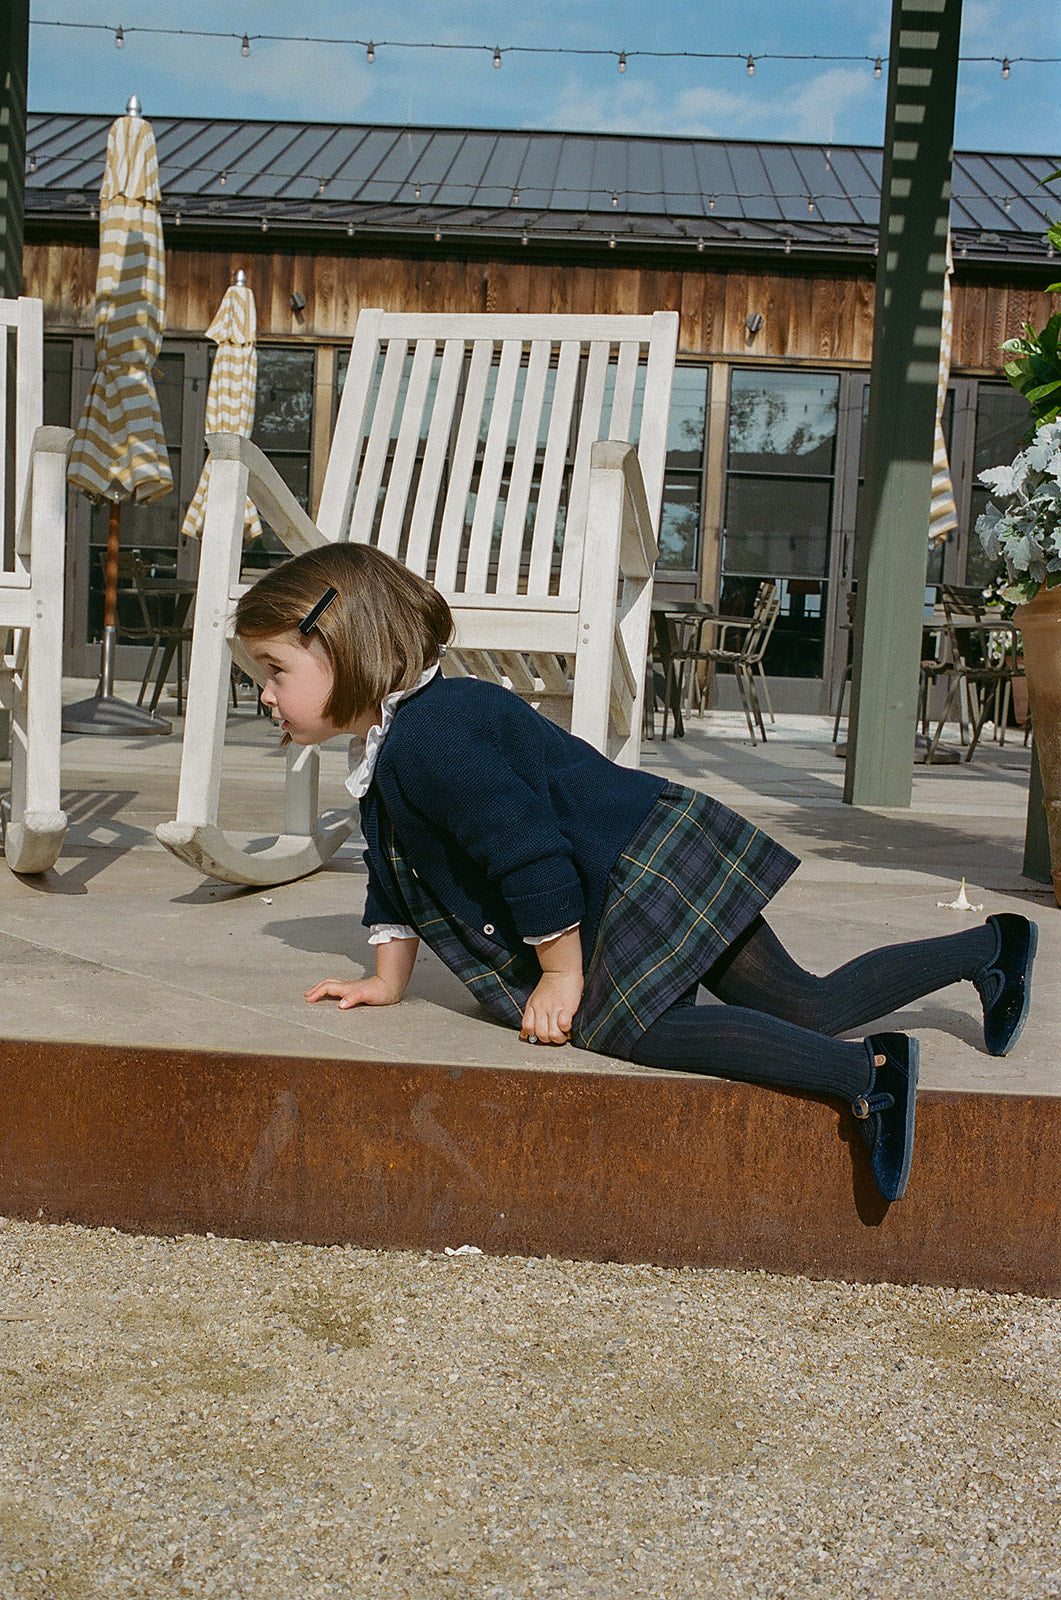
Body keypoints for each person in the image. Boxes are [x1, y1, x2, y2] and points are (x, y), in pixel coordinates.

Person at [235, 544, 1038, 1206]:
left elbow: (528, 855)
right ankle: (989, 948)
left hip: (633, 869)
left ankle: (868, 1074)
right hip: (637, 853)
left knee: (629, 1026)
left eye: (274, 670)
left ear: (348, 647)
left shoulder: (434, 738)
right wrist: (386, 979)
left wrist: (560, 974)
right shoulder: (394, 745)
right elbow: (393, 872)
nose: (265, 695)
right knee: (805, 1003)